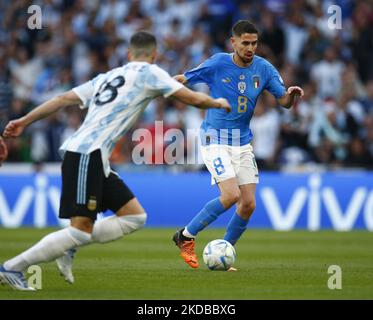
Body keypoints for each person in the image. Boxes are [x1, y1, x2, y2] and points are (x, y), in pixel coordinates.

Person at [0, 31, 231, 291]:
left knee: (135, 217)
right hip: (86, 154)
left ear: (129, 54)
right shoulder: (151, 73)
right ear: (154, 55)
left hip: (95, 157)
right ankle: (12, 267)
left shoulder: (108, 76)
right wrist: (216, 102)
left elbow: (63, 99)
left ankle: (69, 245)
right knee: (78, 231)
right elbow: (190, 97)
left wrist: (23, 121)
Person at [172, 20, 303, 270]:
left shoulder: (264, 69)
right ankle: (185, 237)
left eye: (254, 43)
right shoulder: (218, 63)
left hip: (242, 142)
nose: (250, 48)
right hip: (214, 137)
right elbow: (186, 78)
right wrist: (162, 85)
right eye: (245, 43)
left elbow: (284, 100)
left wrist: (292, 96)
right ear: (234, 42)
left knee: (248, 203)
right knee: (231, 195)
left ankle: (224, 250)